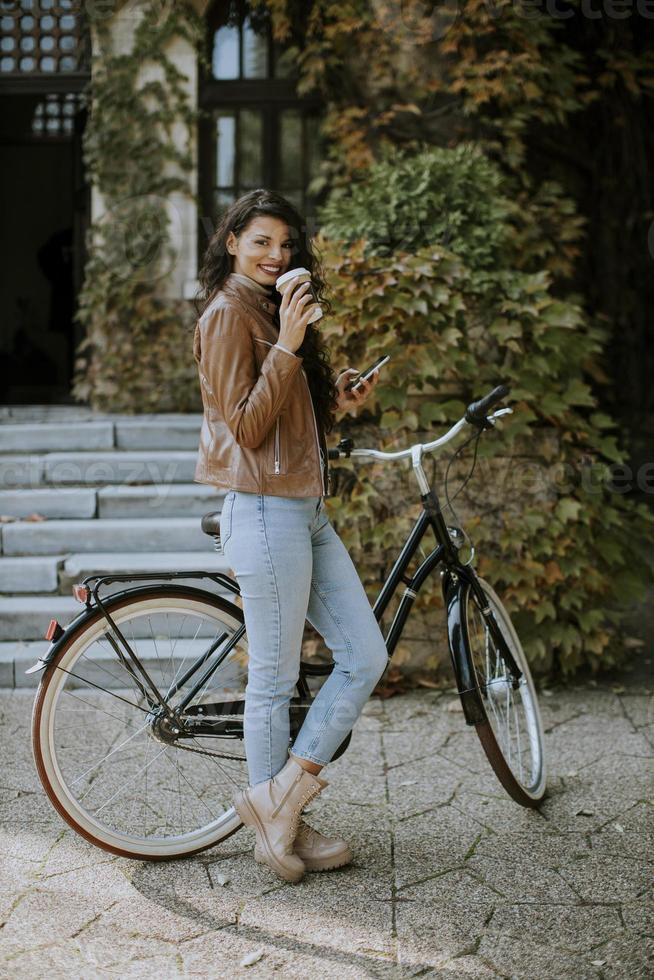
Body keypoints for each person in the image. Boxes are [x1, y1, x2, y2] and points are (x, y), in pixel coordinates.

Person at [192, 189, 389, 883]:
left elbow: (282, 422)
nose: (277, 256)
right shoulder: (225, 315)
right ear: (231, 243)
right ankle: (283, 828)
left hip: (304, 507)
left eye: (286, 245)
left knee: (365, 657)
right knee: (273, 682)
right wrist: (289, 344)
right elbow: (244, 428)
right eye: (261, 242)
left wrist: (335, 396)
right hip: (263, 509)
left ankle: (277, 799)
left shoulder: (272, 310)